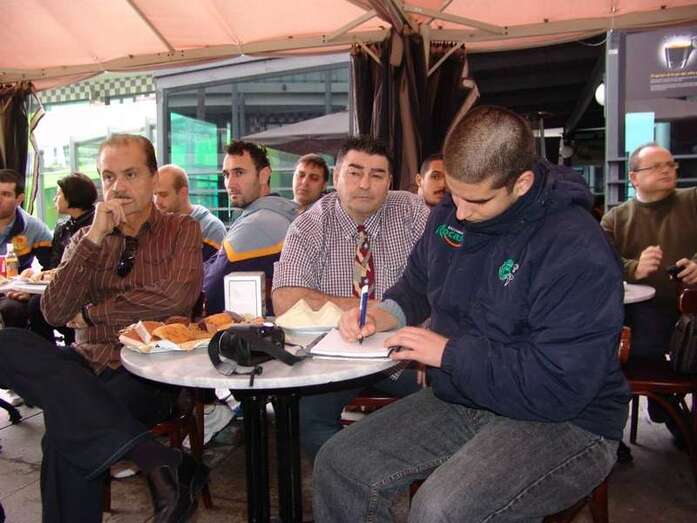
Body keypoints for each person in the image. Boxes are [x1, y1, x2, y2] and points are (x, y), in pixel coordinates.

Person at [313, 106, 630, 522]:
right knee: (339, 464)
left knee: (441, 510)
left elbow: (560, 384)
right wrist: (383, 314)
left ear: (521, 183)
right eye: (453, 194)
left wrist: (449, 354)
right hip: (466, 393)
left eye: (476, 200)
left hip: (569, 419)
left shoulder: (575, 248)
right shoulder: (450, 212)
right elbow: (417, 284)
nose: (459, 213)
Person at [0, 134, 208, 523]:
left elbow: (172, 299)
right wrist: (94, 238)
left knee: (65, 434)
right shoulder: (85, 238)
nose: (119, 187)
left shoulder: (181, 229)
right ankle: (158, 459)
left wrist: (93, 314)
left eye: (131, 174)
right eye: (109, 177)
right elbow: (54, 311)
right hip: (86, 360)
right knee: (6, 344)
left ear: (153, 177)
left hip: (149, 369)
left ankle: (161, 464)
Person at [272, 136, 430, 458]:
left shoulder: (413, 212)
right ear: (336, 176)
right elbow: (286, 301)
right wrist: (379, 310)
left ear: (389, 181)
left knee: (458, 397)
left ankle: (389, 468)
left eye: (377, 175)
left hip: (407, 356)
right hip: (335, 359)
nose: (365, 184)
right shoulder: (309, 225)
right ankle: (365, 472)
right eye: (354, 173)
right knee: (302, 417)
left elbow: (444, 281)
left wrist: (413, 324)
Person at [601, 142, 697, 445]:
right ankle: (659, 409)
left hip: (692, 315)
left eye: (670, 165)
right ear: (634, 178)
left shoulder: (692, 200)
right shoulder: (615, 219)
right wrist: (633, 268)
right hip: (642, 316)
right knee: (618, 342)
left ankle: (676, 415)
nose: (667, 171)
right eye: (656, 166)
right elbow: (599, 262)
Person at [203, 141, 297, 314]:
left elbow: (209, 290)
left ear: (264, 175)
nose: (230, 184)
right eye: (226, 174)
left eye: (239, 173)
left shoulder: (257, 224)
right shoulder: (282, 214)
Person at [23, 172, 98, 344]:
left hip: (86, 288)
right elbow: (54, 263)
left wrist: (50, 275)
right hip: (63, 285)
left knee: (37, 305)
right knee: (35, 304)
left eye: (58, 194)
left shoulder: (96, 225)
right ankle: (47, 351)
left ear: (72, 196)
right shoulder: (62, 226)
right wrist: (36, 277)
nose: (54, 199)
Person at [0, 168, 52, 328]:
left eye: (5, 194)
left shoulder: (33, 228)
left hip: (12, 292)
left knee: (13, 309)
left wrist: (29, 289)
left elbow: (52, 267)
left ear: (19, 199)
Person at [154, 164, 226, 262]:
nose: (157, 201)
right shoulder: (154, 227)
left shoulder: (211, 228)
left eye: (163, 195)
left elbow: (214, 270)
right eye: (154, 194)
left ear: (183, 193)